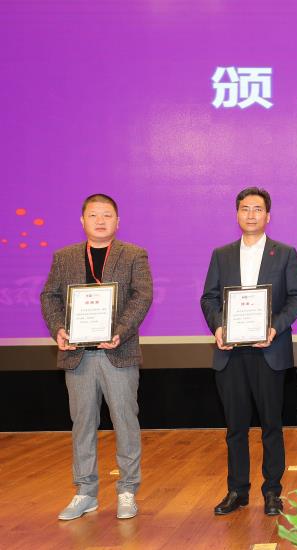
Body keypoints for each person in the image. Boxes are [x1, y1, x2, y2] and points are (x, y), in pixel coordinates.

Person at [40, 193, 153, 521]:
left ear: (118, 221)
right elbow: (49, 296)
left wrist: (120, 331)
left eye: (107, 215)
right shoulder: (64, 257)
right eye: (93, 215)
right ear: (82, 220)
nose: (100, 221)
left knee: (125, 422)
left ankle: (127, 490)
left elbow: (142, 296)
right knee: (82, 424)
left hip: (118, 352)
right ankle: (85, 492)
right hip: (78, 357)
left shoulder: (133, 254)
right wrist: (59, 329)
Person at [200, 187, 297, 516]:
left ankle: (272, 491)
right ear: (237, 214)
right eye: (245, 208)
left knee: (271, 425)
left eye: (257, 209)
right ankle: (237, 490)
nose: (251, 214)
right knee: (235, 427)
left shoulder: (285, 253)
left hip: (269, 350)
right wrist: (219, 327)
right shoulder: (221, 254)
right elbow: (209, 298)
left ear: (268, 216)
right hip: (230, 352)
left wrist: (273, 327)